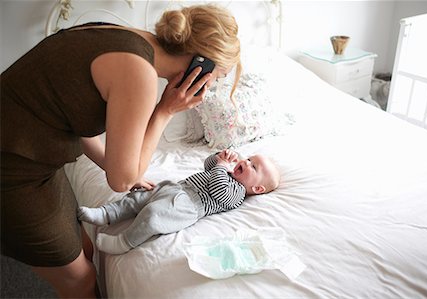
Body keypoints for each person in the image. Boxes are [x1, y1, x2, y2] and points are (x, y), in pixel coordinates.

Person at [1, 4, 241, 298]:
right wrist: (164, 111)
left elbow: (72, 119)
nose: (213, 84)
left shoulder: (124, 37)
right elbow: (122, 182)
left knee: (84, 247)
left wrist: (116, 164)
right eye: (219, 75)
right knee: (81, 281)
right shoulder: (138, 72)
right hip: (12, 170)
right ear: (200, 65)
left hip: (32, 155)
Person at [77, 149, 281, 254]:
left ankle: (125, 242)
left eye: (253, 167)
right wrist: (219, 157)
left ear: (257, 189)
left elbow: (218, 190)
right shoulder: (227, 170)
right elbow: (208, 166)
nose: (245, 162)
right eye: (249, 158)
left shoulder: (237, 193)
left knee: (153, 215)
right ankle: (106, 213)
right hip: (178, 187)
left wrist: (222, 167)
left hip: (189, 206)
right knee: (139, 197)